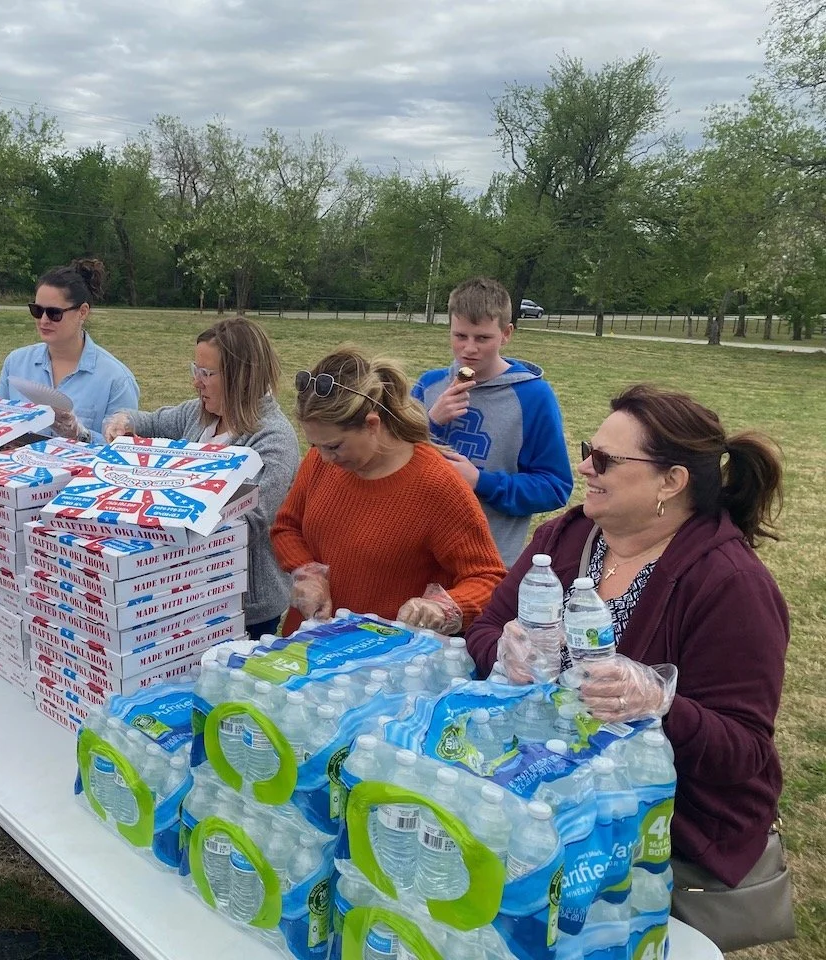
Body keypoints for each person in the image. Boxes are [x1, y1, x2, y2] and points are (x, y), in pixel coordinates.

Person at [464, 384, 790, 951]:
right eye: (589, 450)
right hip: (550, 801)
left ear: (671, 482)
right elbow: (486, 627)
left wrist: (660, 703)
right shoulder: (565, 538)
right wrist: (504, 650)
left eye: (606, 459)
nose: (584, 467)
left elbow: (745, 751)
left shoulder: (730, 584)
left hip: (659, 835)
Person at [271, 348, 506, 636]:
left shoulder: (436, 485)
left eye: (334, 446)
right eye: (313, 445)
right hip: (305, 646)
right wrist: (306, 572)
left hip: (384, 655)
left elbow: (487, 577)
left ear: (372, 424)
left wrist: (442, 607)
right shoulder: (322, 459)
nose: (324, 457)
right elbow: (287, 527)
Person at [104, 317, 297, 638]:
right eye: (196, 370)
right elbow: (150, 421)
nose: (197, 383)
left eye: (207, 374)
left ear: (242, 377)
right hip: (188, 592)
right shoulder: (200, 414)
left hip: (242, 605)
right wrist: (123, 423)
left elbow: (249, 521)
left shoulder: (273, 438)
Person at [412, 276, 573, 566]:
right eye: (460, 336)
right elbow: (392, 459)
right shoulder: (428, 386)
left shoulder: (533, 396)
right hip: (418, 555)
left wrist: (480, 481)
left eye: (482, 338)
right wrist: (431, 422)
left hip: (488, 562)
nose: (469, 349)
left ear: (506, 333)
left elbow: (554, 487)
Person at [0, 258, 138, 442]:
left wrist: (81, 435)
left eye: (54, 313)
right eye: (37, 310)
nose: (43, 320)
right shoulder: (15, 363)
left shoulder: (117, 380)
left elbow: (123, 449)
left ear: (82, 312)